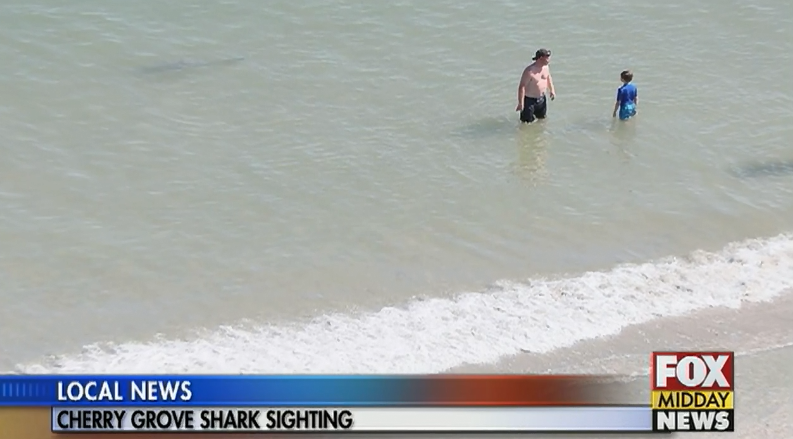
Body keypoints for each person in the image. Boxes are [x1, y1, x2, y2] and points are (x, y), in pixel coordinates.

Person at [516, 48, 555, 123]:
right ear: (541, 58)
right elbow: (522, 86)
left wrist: (552, 90)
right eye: (547, 57)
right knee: (526, 124)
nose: (549, 59)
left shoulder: (546, 67)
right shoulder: (529, 71)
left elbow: (548, 77)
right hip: (529, 101)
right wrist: (520, 103)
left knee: (542, 120)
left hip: (542, 99)